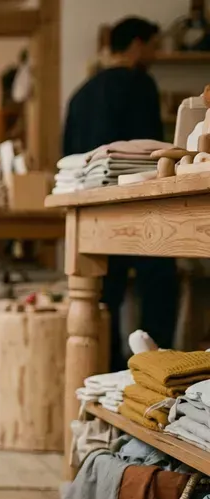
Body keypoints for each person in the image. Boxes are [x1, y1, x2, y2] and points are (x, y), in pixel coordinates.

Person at [62, 16, 175, 370]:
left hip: (92, 206)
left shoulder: (80, 93)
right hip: (137, 204)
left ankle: (101, 368)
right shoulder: (139, 84)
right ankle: (158, 368)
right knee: (158, 283)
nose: (156, 54)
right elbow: (155, 151)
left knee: (101, 293)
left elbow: (67, 154)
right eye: (155, 46)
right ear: (137, 44)